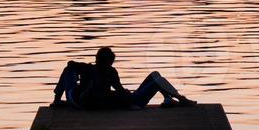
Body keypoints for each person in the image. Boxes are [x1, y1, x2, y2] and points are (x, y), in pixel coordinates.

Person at [52, 47, 197, 109]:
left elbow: (118, 91)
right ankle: (179, 99)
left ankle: (168, 99)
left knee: (155, 75)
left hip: (76, 100)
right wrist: (126, 97)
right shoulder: (94, 70)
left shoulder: (93, 69)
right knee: (157, 78)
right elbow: (116, 93)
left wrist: (79, 68)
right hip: (84, 102)